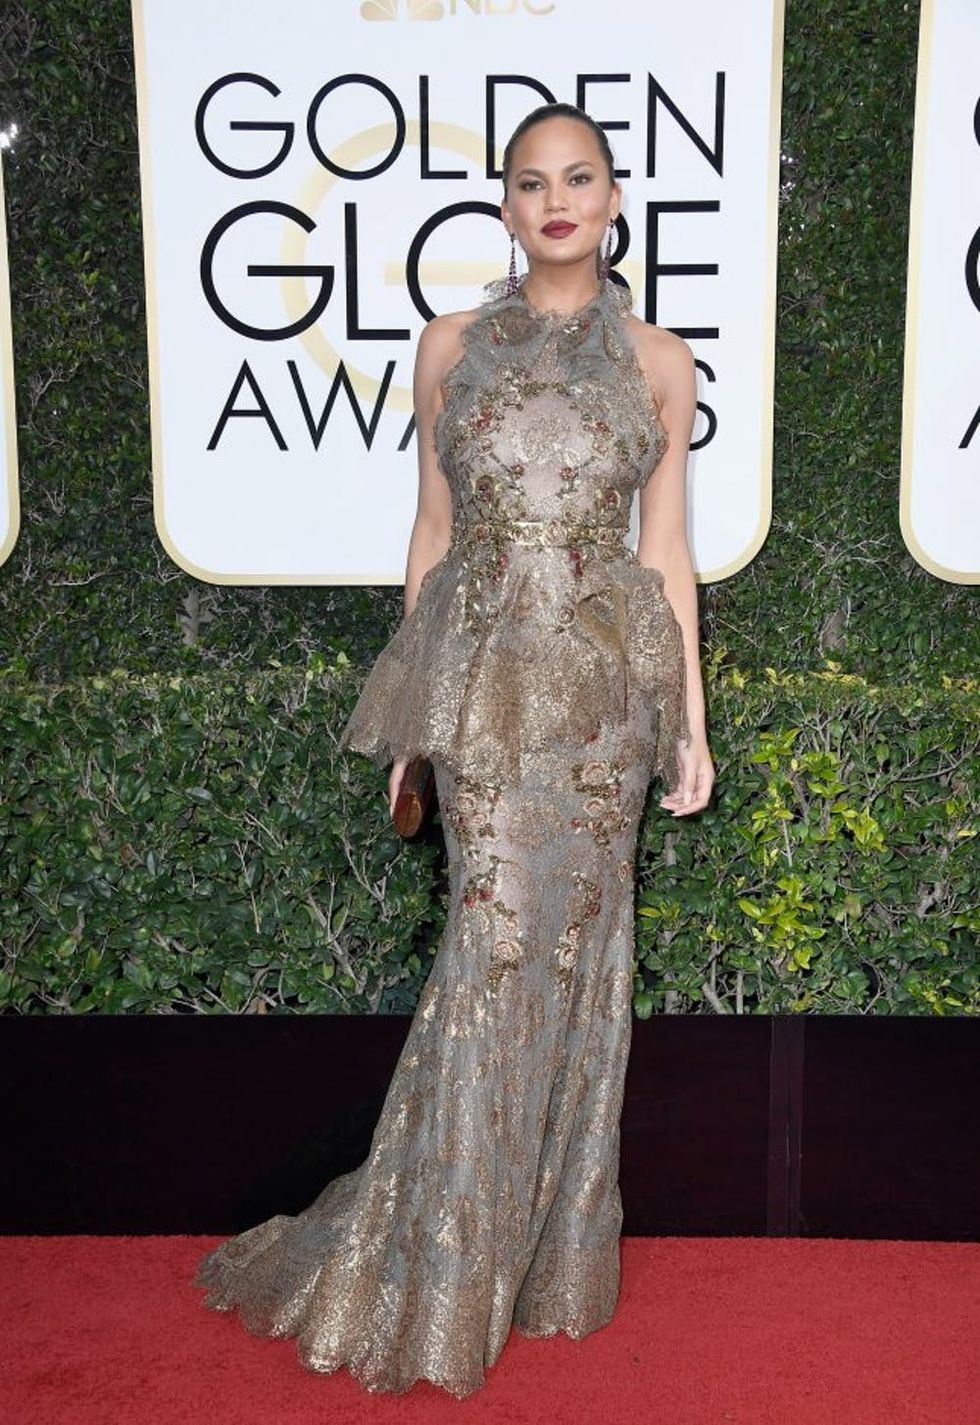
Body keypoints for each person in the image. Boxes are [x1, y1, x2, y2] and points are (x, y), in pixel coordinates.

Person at [193, 101, 715, 1399]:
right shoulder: (448, 348)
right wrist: (413, 723)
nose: (555, 200)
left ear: (610, 200)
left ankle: (544, 1255)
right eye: (531, 181)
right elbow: (429, 539)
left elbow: (668, 557)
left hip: (604, 710)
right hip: (485, 697)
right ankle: (441, 1262)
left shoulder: (661, 359)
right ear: (506, 205)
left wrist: (690, 721)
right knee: (490, 951)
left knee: (581, 968)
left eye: (578, 178)